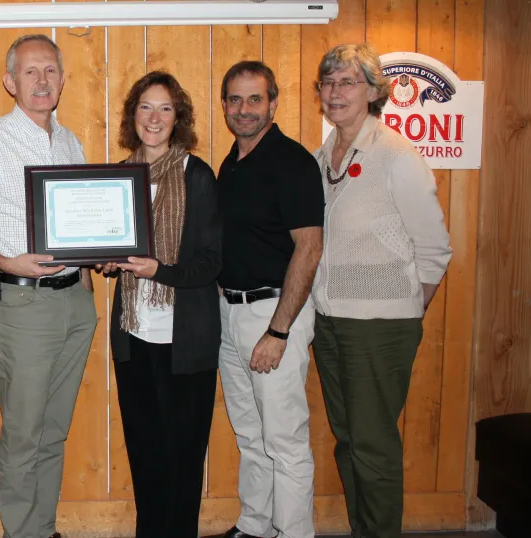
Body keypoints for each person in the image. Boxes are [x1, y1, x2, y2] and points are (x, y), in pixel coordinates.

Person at [0, 34, 96, 538]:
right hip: (23, 305)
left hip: (76, 303)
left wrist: (101, 257)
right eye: (30, 72)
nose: (42, 80)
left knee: (53, 433)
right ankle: (21, 532)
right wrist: (6, 260)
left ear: (62, 78)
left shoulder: (71, 141)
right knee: (24, 434)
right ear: (10, 82)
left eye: (50, 70)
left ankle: (43, 527)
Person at [312, 43, 451, 538]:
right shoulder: (319, 157)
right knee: (348, 441)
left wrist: (407, 312)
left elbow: (435, 248)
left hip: (381, 326)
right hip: (329, 323)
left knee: (373, 444)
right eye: (328, 83)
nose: (335, 92)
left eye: (347, 82)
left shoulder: (395, 155)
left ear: (373, 92)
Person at [100, 71, 221, 538]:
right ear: (134, 115)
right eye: (146, 107)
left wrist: (158, 271)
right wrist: (109, 262)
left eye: (165, 108)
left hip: (184, 339)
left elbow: (210, 262)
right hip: (134, 336)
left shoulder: (198, 175)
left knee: (183, 455)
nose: (155, 117)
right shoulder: (116, 177)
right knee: (146, 453)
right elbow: (112, 247)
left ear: (179, 118)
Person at [213, 61, 324, 538]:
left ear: (273, 103)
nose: (244, 109)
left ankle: (295, 533)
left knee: (284, 440)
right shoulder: (231, 165)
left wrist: (277, 331)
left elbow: (310, 246)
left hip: (275, 315)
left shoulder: (292, 162)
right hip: (229, 313)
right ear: (224, 106)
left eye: (254, 99)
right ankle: (256, 525)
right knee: (251, 436)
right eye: (235, 100)